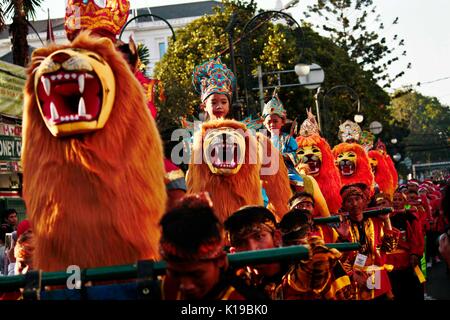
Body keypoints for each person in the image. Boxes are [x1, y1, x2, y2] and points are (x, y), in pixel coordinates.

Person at [159, 193, 263, 300]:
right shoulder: (165, 288)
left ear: (220, 260)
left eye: (196, 275)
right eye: (175, 274)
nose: (186, 286)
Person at [336, 184, 399, 300]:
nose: (354, 204)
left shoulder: (376, 222)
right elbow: (338, 260)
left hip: (378, 276)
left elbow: (390, 248)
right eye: (349, 201)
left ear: (364, 201)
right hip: (354, 282)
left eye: (357, 199)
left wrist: (387, 220)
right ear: (344, 205)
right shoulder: (341, 227)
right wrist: (343, 238)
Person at [224, 205, 287, 298]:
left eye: (258, 237)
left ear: (276, 238)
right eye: (242, 242)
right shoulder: (232, 286)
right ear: (234, 251)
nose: (252, 249)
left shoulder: (302, 273)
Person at [383, 192, 425, 300]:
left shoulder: (410, 216)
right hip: (390, 262)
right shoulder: (385, 218)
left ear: (404, 202)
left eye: (399, 199)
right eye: (394, 199)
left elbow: (417, 238)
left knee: (415, 287)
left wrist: (414, 254)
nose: (396, 202)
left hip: (408, 260)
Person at [192, 57, 235, 121]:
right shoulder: (197, 130)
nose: (219, 106)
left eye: (224, 102)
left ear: (229, 106)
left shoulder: (241, 129)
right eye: (213, 103)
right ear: (204, 106)